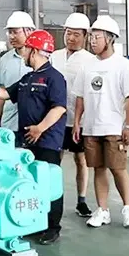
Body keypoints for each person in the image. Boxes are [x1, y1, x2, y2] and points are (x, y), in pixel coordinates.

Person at [0, 30, 67, 245]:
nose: (23, 52)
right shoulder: (28, 78)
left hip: (46, 140)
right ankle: (35, 222)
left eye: (26, 49)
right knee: (30, 181)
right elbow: (6, 93)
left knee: (49, 182)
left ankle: (52, 227)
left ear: (34, 50)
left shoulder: (55, 78)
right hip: (27, 139)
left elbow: (59, 109)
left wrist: (40, 128)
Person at [72, 15, 129, 229]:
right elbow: (80, 97)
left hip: (114, 127)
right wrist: (77, 123)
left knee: (118, 168)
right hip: (91, 127)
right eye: (91, 37)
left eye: (96, 37)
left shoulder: (123, 65)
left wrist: (128, 126)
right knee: (98, 168)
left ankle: (128, 208)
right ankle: (103, 210)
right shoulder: (86, 66)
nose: (92, 41)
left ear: (110, 39)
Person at [51, 13, 94, 217]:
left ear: (85, 36)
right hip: (56, 118)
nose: (71, 38)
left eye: (76, 34)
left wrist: (80, 121)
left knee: (81, 159)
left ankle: (81, 201)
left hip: (80, 121)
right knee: (54, 160)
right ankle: (51, 199)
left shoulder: (90, 60)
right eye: (68, 33)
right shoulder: (54, 56)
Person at [0, 11, 35, 146]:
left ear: (28, 31)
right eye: (9, 32)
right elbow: (1, 91)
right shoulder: (5, 59)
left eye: (15, 32)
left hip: (33, 124)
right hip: (9, 122)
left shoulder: (41, 59)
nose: (12, 36)